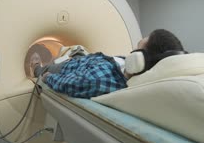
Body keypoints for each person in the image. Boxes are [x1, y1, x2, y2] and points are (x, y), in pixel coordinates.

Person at [31, 29, 185, 98]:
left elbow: (71, 84)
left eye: (135, 51)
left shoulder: (101, 80)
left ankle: (36, 67)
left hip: (67, 67)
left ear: (139, 60)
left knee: (45, 69)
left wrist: (47, 78)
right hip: (85, 59)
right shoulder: (129, 66)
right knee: (76, 50)